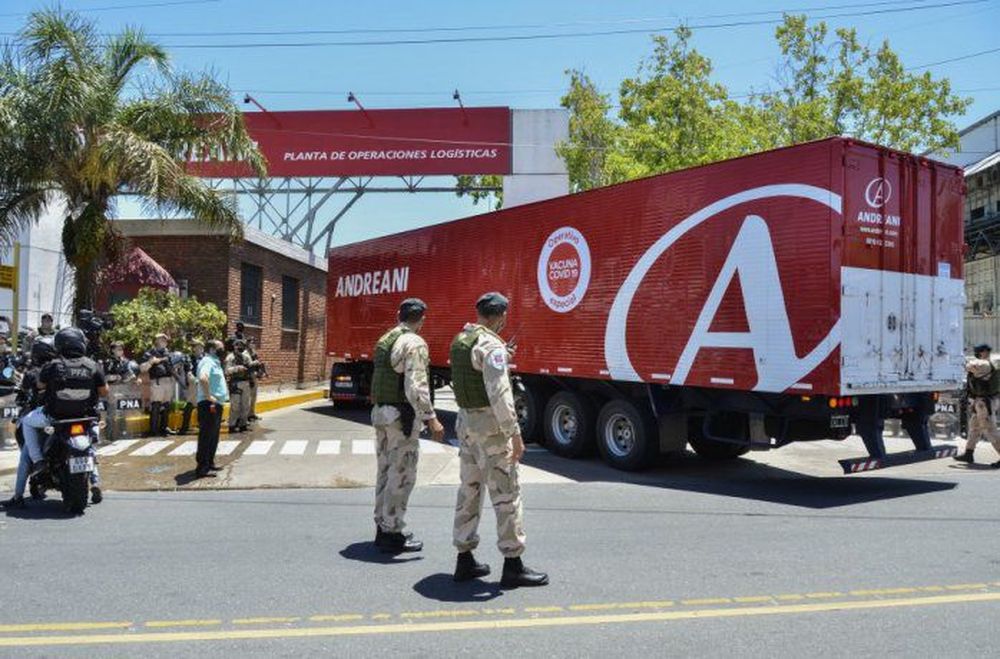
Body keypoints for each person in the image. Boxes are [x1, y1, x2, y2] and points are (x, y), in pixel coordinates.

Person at [449, 292, 547, 587]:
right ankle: (513, 565)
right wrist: (515, 434)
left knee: (469, 491)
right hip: (491, 430)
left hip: (467, 426)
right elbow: (500, 394)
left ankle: (464, 559)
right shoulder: (491, 345)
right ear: (500, 316)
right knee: (506, 495)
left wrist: (502, 356)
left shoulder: (461, 340)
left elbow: (475, 374)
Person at [370, 298, 445, 553]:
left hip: (381, 413)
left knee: (385, 472)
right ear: (421, 320)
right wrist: (431, 418)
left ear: (398, 315)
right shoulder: (414, 342)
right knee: (401, 475)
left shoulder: (387, 338)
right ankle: (392, 533)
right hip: (400, 418)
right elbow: (416, 386)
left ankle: (382, 526)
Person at [3, 328, 108, 509]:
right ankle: (95, 480)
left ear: (59, 345)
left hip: (55, 417)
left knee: (27, 422)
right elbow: (104, 391)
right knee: (91, 445)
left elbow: (40, 385)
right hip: (85, 417)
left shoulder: (53, 366)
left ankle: (38, 461)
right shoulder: (92, 365)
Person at [1, 337, 57, 509]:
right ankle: (94, 481)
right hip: (61, 416)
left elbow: (24, 393)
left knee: (25, 457)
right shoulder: (59, 368)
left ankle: (18, 496)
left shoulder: (33, 373)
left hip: (40, 419)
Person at [955, 344, 1000, 468]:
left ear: (984, 352)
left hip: (984, 403)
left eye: (978, 352)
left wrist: (959, 356)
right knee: (974, 428)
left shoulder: (984, 364)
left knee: (990, 430)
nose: (976, 354)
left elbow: (966, 366)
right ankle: (968, 453)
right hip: (982, 402)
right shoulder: (991, 363)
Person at [195, 340, 228, 478]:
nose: (223, 349)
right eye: (220, 347)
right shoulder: (208, 361)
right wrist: (209, 396)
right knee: (207, 436)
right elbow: (203, 378)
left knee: (213, 436)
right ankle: (202, 468)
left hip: (215, 404)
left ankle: (209, 463)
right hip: (208, 404)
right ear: (212, 349)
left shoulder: (215, 362)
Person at [141, 333, 173, 437]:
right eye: (161, 339)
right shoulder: (150, 353)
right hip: (157, 381)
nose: (164, 341)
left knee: (167, 405)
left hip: (168, 380)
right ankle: (154, 429)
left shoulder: (167, 353)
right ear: (156, 341)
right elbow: (142, 368)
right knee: (156, 404)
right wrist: (151, 362)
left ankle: (164, 428)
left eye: (165, 340)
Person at [175, 340, 205, 435]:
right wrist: (194, 380)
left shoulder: (204, 358)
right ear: (194, 348)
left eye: (201, 347)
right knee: (191, 403)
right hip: (194, 383)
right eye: (197, 347)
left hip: (204, 383)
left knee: (202, 405)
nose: (199, 349)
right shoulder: (189, 358)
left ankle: (202, 426)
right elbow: (188, 371)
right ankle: (184, 427)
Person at [224, 337, 252, 433]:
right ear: (234, 347)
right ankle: (232, 425)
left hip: (245, 382)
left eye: (242, 346)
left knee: (245, 405)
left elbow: (250, 367)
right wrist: (237, 368)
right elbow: (227, 371)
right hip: (235, 383)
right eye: (238, 345)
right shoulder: (230, 357)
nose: (240, 347)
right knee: (235, 406)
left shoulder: (246, 357)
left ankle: (243, 425)